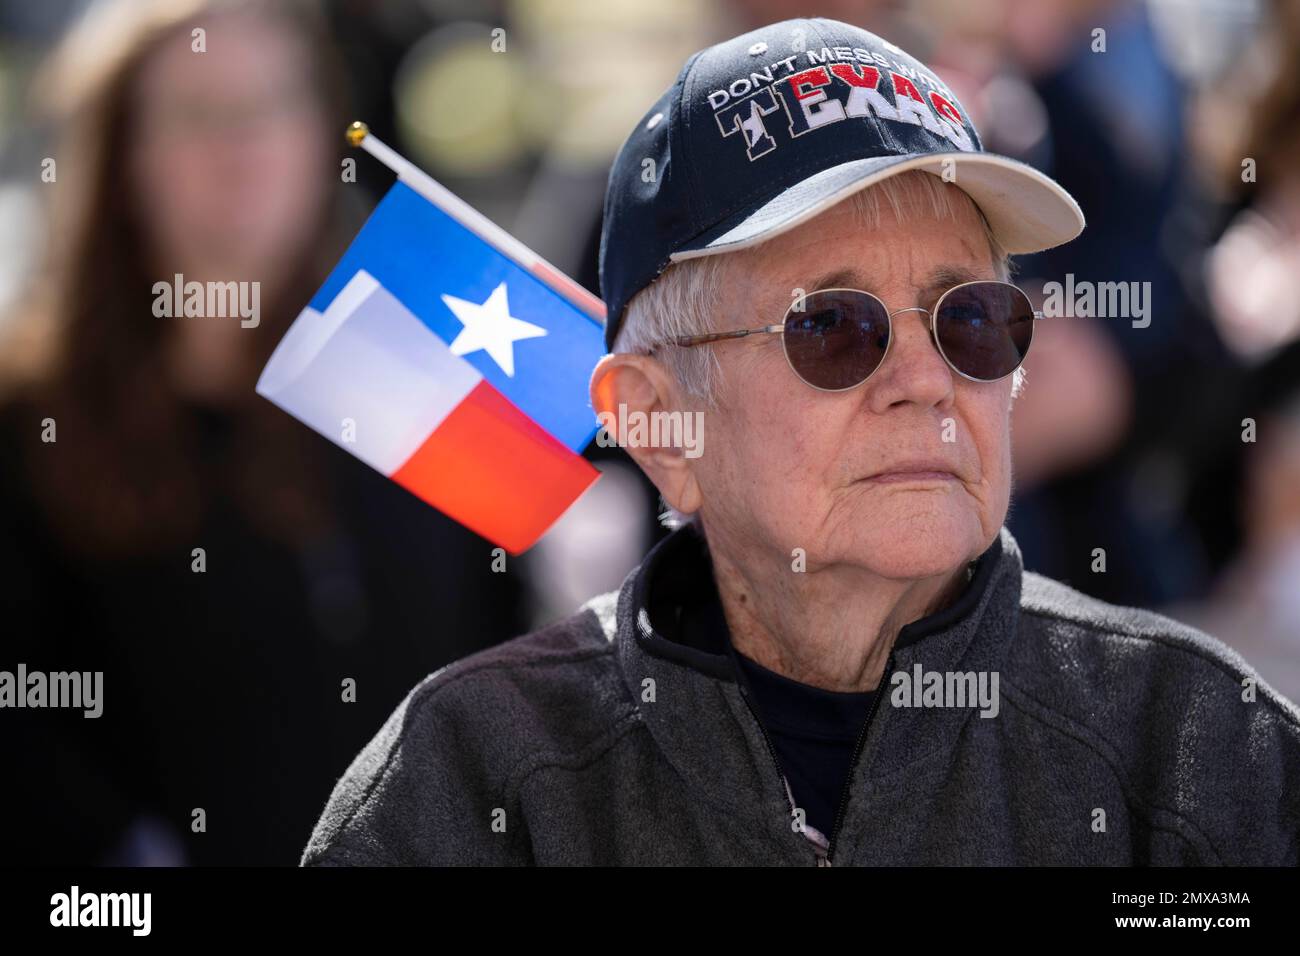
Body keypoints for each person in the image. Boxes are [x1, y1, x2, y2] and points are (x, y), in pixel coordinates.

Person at [302, 18, 1300, 866]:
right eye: (832, 325)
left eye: (972, 317)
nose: (927, 379)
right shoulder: (469, 786)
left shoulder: (1200, 753)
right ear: (655, 419)